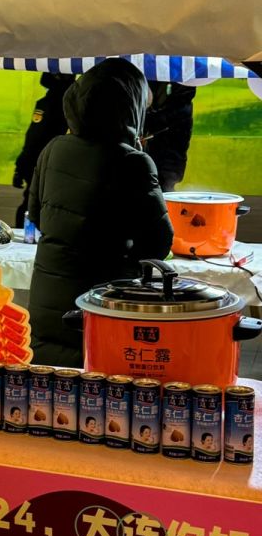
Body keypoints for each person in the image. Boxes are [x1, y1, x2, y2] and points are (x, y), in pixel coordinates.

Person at [27, 58, 173, 366]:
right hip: (102, 297)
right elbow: (159, 241)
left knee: (52, 379)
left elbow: (37, 215)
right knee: (100, 378)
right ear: (130, 106)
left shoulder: (54, 148)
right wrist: (126, 263)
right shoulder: (134, 161)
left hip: (48, 291)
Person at [12, 74, 74, 227]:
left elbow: (34, 137)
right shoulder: (74, 105)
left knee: (30, 206)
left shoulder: (47, 103)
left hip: (40, 163)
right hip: (58, 165)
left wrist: (21, 167)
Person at [144, 81, 196, 191]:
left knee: (166, 178)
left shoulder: (183, 88)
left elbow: (179, 108)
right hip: (162, 150)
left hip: (169, 149)